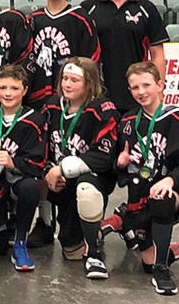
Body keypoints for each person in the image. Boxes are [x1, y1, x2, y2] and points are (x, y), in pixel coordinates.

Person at [98, 61, 179, 295]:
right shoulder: (128, 123)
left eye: (146, 85)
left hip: (170, 192)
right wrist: (120, 163)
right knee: (147, 263)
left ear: (160, 85)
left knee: (161, 199)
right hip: (140, 195)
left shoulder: (178, 119)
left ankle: (163, 270)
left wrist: (171, 180)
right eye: (135, 88)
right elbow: (119, 167)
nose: (141, 92)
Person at [24, 0, 101, 247]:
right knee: (43, 160)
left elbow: (91, 63)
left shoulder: (81, 19)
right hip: (38, 103)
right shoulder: (33, 20)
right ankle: (44, 222)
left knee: (70, 157)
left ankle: (80, 220)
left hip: (70, 104)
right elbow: (27, 63)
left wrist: (82, 99)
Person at [41, 57, 120, 278]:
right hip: (59, 178)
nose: (67, 84)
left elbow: (103, 158)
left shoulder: (103, 110)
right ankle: (110, 225)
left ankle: (93, 253)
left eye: (74, 80)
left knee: (86, 191)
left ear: (89, 82)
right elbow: (38, 145)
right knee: (70, 249)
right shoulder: (52, 105)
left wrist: (62, 168)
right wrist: (49, 170)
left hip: (92, 177)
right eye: (64, 78)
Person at [82, 0, 170, 116]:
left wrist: (159, 89)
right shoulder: (88, 9)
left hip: (138, 97)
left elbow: (157, 54)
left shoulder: (146, 9)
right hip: (98, 98)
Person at [0, 64, 47, 272]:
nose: (8, 93)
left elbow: (38, 163)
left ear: (25, 90)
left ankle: (20, 242)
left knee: (30, 187)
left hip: (16, 180)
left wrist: (14, 162)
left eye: (14, 88)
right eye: (3, 87)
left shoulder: (35, 120)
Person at [25, 0, 100, 111]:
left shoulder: (81, 19)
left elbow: (91, 59)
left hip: (72, 98)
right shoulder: (34, 19)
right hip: (38, 97)